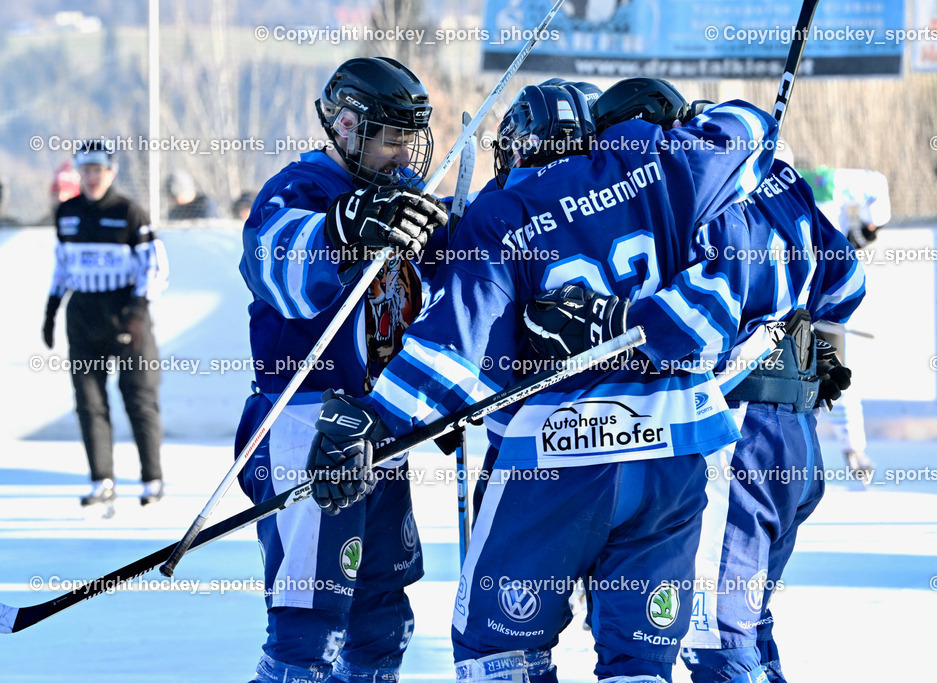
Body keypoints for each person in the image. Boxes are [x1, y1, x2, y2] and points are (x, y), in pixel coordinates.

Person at [307, 81, 780, 682]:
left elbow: (453, 351)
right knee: (640, 659)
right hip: (675, 458)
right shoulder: (658, 167)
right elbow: (754, 130)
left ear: (514, 149)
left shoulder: (502, 213)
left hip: (557, 459)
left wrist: (377, 422)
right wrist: (680, 118)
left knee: (496, 650)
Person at [528, 79, 866, 683]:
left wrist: (609, 320)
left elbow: (701, 323)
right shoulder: (779, 181)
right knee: (750, 625)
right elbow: (846, 283)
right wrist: (818, 347)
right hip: (795, 437)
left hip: (734, 434)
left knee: (718, 637)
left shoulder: (695, 202)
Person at [235, 57, 448, 683]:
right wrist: (339, 233)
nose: (404, 152)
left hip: (378, 430)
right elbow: (276, 271)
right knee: (312, 621)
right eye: (391, 137)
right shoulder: (298, 189)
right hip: (307, 426)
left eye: (412, 136)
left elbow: (435, 300)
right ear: (348, 128)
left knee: (383, 614)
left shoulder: (401, 197)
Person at [43, 139, 169, 507]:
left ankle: (152, 480)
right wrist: (51, 308)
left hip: (126, 312)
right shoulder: (66, 213)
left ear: (110, 172)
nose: (93, 177)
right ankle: (102, 480)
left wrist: (137, 312)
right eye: (87, 170)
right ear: (79, 173)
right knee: (89, 402)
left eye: (99, 170)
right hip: (84, 315)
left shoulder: (130, 212)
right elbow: (62, 265)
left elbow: (155, 266)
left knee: (140, 398)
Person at [801, 165, 890, 478]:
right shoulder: (816, 179)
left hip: (792, 292)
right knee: (833, 367)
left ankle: (843, 446)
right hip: (826, 289)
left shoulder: (755, 178)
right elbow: (875, 185)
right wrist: (866, 229)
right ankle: (854, 448)